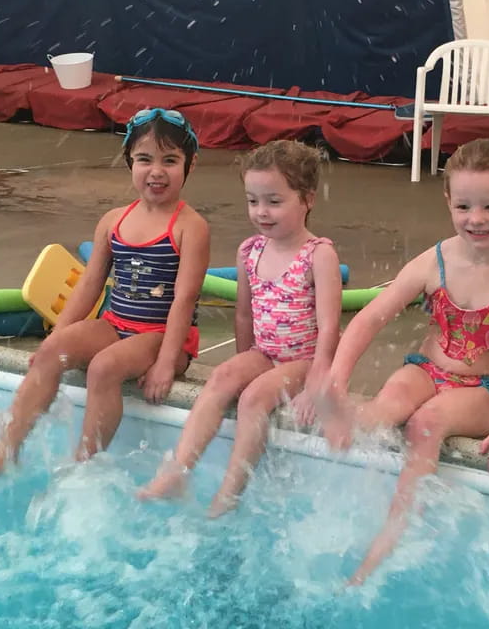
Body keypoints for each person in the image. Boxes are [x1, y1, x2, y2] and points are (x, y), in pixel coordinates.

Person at [316, 138, 489, 585]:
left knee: (424, 424)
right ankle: (340, 473)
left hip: (483, 391)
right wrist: (336, 380)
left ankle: (392, 534)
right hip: (426, 370)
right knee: (387, 406)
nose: (476, 219)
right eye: (464, 206)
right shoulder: (436, 260)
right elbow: (370, 317)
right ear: (448, 201)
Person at [0, 108, 210, 493]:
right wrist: (58, 335)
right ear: (129, 161)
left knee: (103, 369)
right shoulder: (113, 220)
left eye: (170, 161)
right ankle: (5, 449)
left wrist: (164, 363)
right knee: (52, 353)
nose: (156, 171)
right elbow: (90, 284)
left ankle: (82, 467)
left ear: (190, 165)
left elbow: (184, 299)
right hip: (116, 325)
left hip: (164, 336)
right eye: (144, 159)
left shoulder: (189, 226)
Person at [138, 140, 342, 516]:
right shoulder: (250, 251)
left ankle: (229, 494)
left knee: (253, 399)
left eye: (274, 201)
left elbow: (331, 327)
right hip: (264, 353)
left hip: (303, 359)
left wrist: (318, 382)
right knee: (222, 378)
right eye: (253, 201)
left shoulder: (319, 255)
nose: (261, 212)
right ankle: (178, 470)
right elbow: (244, 316)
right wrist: (242, 363)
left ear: (308, 199)